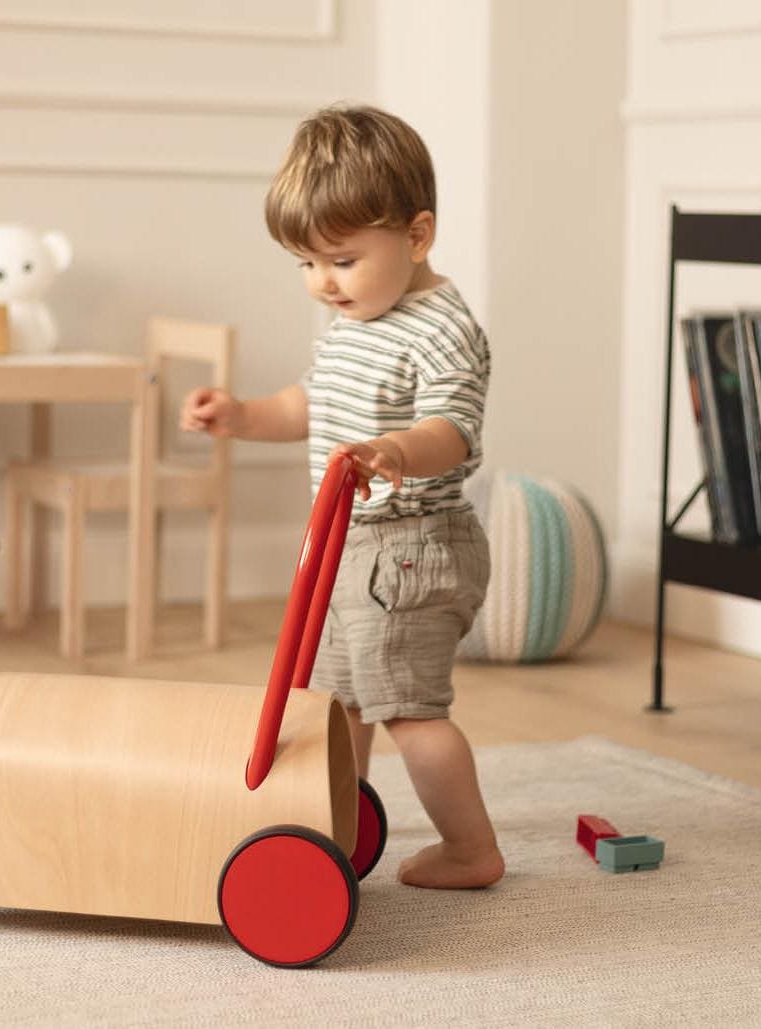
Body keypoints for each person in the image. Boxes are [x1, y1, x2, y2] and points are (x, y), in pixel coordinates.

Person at [180, 104, 502, 889]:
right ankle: (334, 829)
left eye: (343, 260)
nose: (323, 282)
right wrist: (244, 417)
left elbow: (451, 427)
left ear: (416, 236)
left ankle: (471, 849)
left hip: (411, 544)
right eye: (305, 263)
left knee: (408, 709)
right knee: (336, 705)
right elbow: (314, 405)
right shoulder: (355, 316)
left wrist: (395, 448)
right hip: (345, 546)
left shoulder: (441, 327)